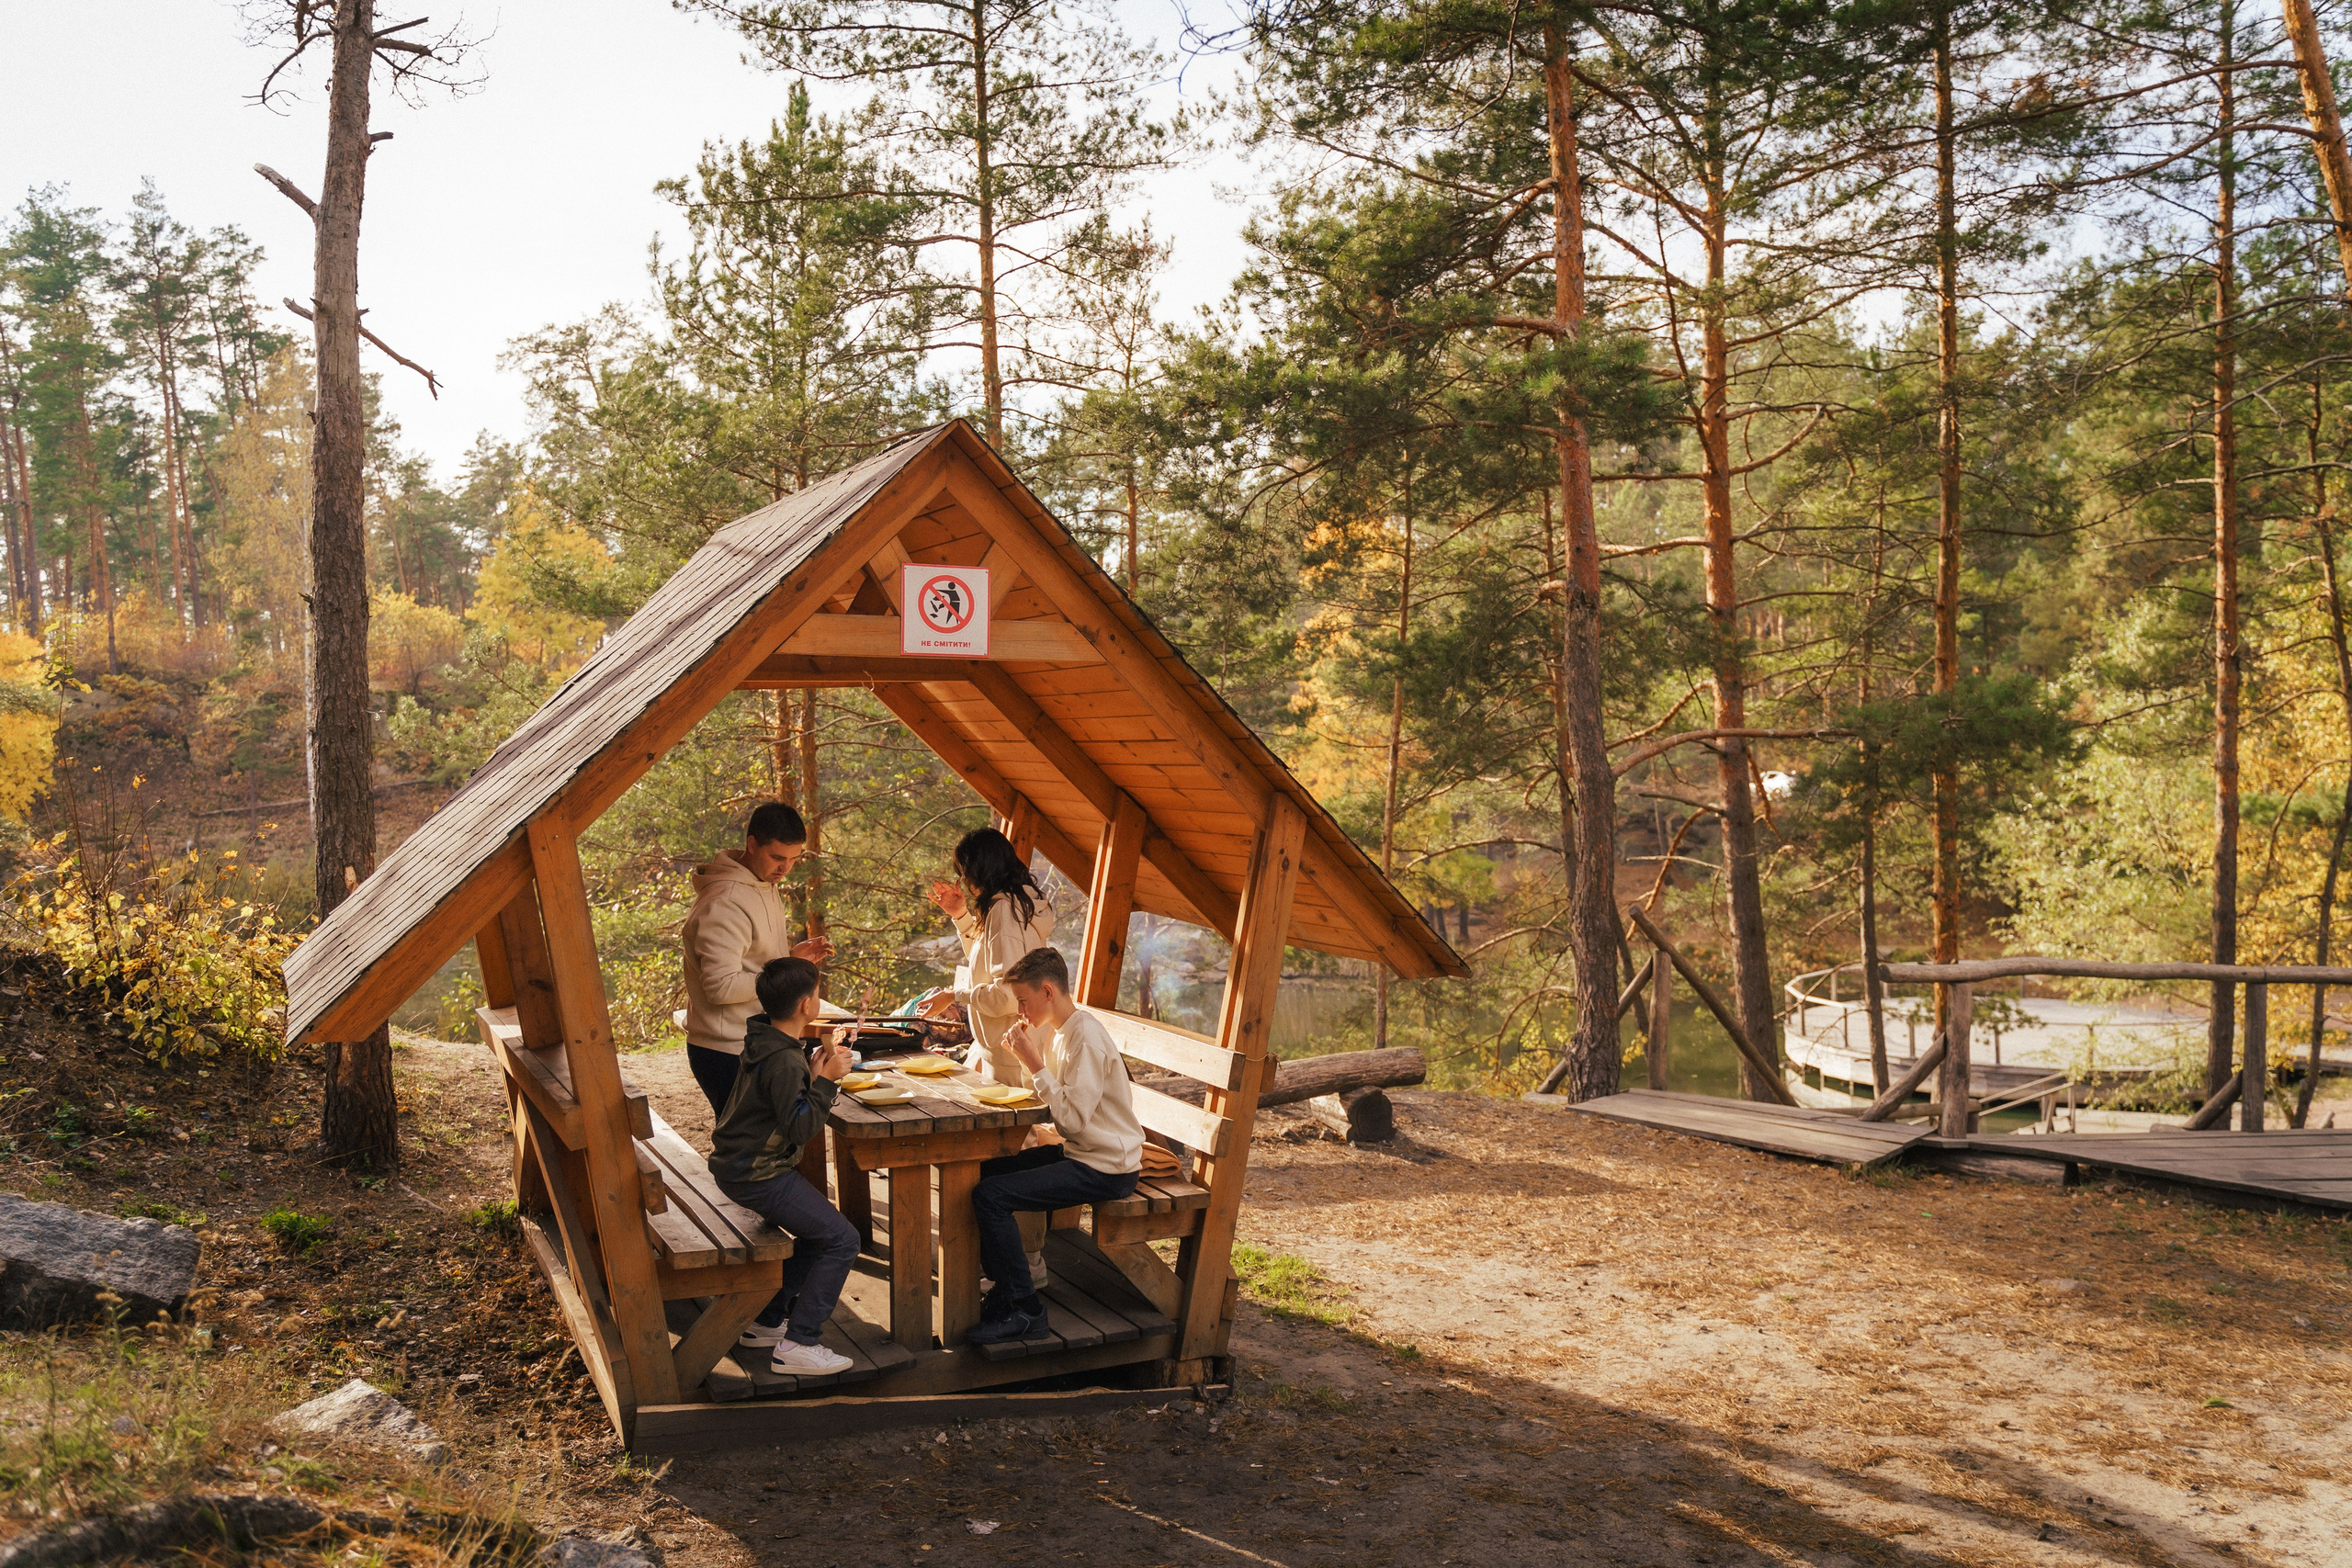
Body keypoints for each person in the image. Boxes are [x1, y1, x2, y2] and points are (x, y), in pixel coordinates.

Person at [967, 946, 1142, 1346]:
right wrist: (1029, 1061)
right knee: (984, 1173)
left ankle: (1026, 1311)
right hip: (1083, 1152)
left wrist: (1034, 1063)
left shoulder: (1085, 1038)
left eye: (1023, 1001)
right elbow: (1056, 1104)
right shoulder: (1062, 1031)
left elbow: (1071, 1121)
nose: (1020, 1011)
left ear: (1048, 991)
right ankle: (1004, 1288)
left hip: (1106, 1168)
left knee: (992, 1196)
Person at [707, 955, 861, 1376]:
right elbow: (800, 1128)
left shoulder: (768, 1041)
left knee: (819, 1234)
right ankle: (799, 1343)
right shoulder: (784, 1059)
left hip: (739, 1165)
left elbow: (779, 1101)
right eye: (818, 993)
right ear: (806, 1005)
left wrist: (812, 1073)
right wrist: (827, 1081)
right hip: (756, 1173)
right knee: (843, 1240)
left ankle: (767, 1320)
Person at [684, 802, 834, 1117]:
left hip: (754, 1041)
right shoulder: (725, 902)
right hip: (727, 1050)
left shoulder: (762, 881)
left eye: (793, 859)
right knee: (751, 1144)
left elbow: (752, 964)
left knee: (775, 1138)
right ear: (752, 844)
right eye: (778, 857)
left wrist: (789, 959)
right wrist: (787, 977)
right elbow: (720, 987)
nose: (785, 868)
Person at [925, 827, 1054, 1087]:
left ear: (981, 868)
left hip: (1012, 1057)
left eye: (964, 870)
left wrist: (954, 996)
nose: (963, 879)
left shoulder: (1004, 911)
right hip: (1013, 1050)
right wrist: (961, 915)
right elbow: (985, 960)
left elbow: (1008, 996)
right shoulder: (1014, 902)